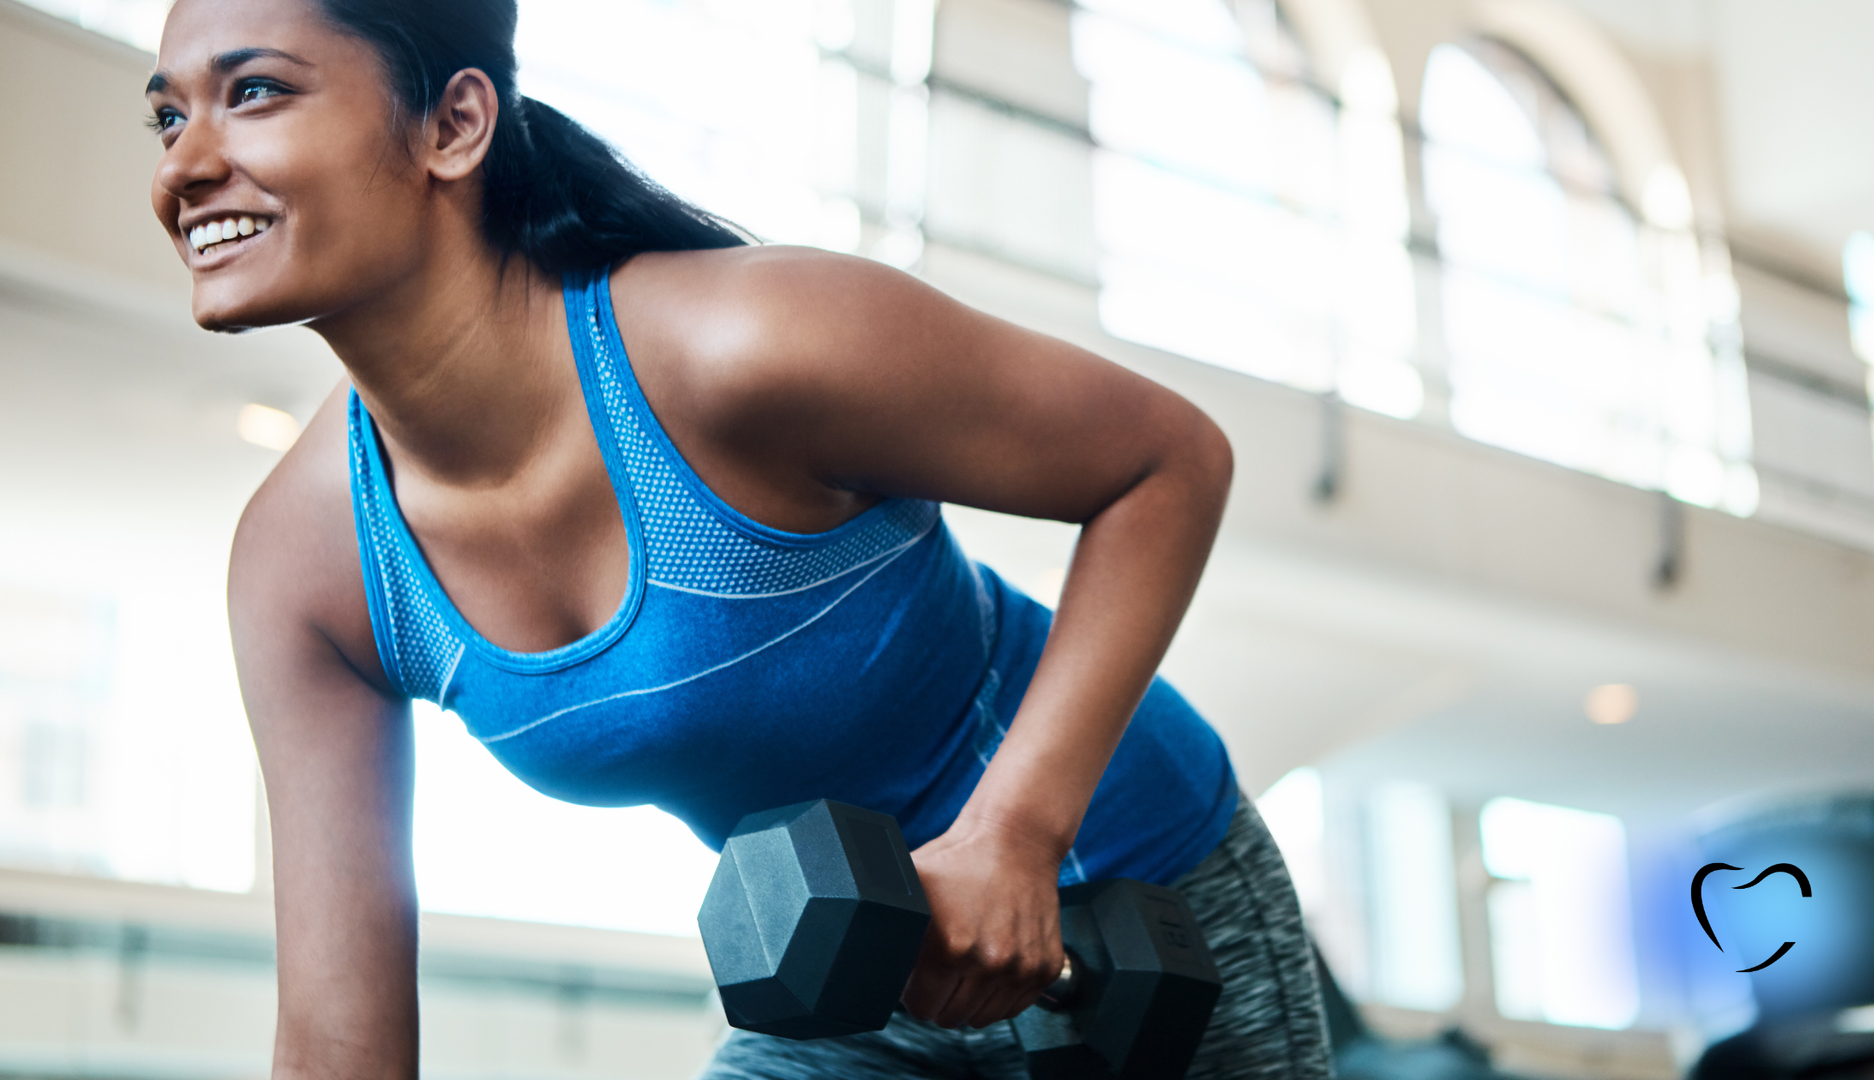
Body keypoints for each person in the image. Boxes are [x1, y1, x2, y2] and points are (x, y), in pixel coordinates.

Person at [148, 0, 1330, 1076]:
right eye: (166, 117)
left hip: (1138, 892)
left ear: (452, 124)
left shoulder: (739, 346)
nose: (187, 166)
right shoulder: (311, 565)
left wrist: (1014, 833)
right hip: (860, 982)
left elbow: (1167, 462)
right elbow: (336, 1041)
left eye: (254, 93)